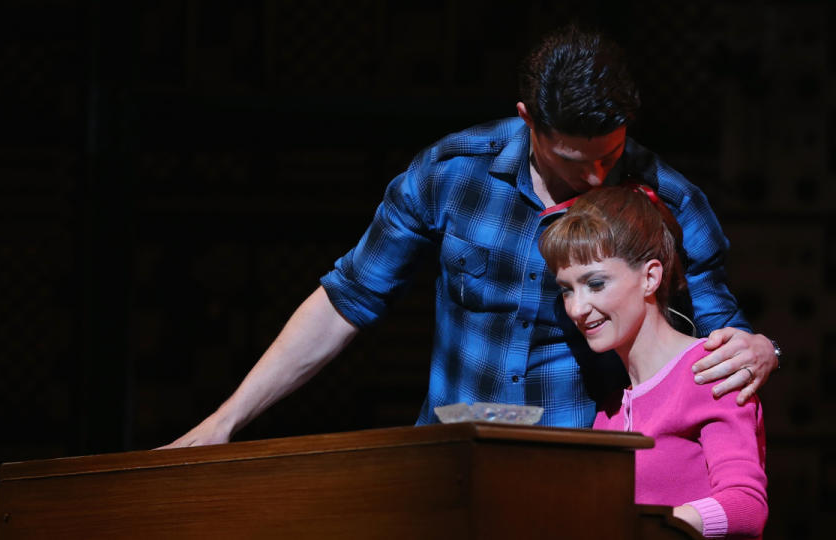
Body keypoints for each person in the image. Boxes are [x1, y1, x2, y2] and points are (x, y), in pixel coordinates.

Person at [160, 25, 779, 448]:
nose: (594, 177)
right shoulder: (453, 174)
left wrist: (761, 350)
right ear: (527, 120)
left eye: (608, 156)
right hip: (451, 456)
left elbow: (720, 340)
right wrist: (225, 420)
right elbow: (348, 297)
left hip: (586, 466)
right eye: (571, 159)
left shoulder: (668, 202)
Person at [538, 185, 767, 538]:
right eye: (567, 289)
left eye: (595, 284)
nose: (577, 309)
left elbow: (745, 507)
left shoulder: (710, 369)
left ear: (650, 277)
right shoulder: (609, 410)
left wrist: (643, 527)